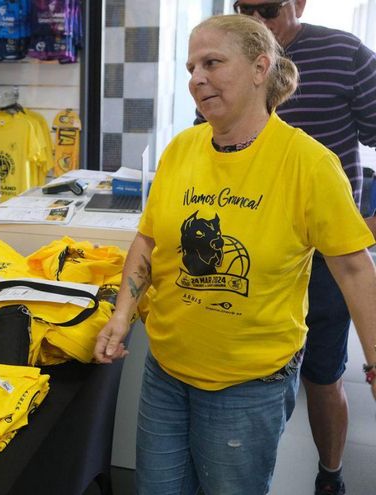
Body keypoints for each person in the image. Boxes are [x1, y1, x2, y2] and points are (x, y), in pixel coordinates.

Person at [94, 14, 376, 495]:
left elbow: (353, 269)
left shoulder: (307, 163)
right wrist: (122, 316)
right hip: (166, 371)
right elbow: (149, 240)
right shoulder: (181, 149)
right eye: (191, 68)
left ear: (259, 68)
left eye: (212, 62)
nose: (196, 78)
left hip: (247, 384)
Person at [230, 2, 376, 493]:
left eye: (267, 8)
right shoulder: (232, 54)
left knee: (322, 373)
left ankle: (329, 476)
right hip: (253, 246)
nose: (255, 18)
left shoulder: (346, 54)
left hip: (323, 254)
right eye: (242, 8)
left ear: (300, 3)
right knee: (250, 371)